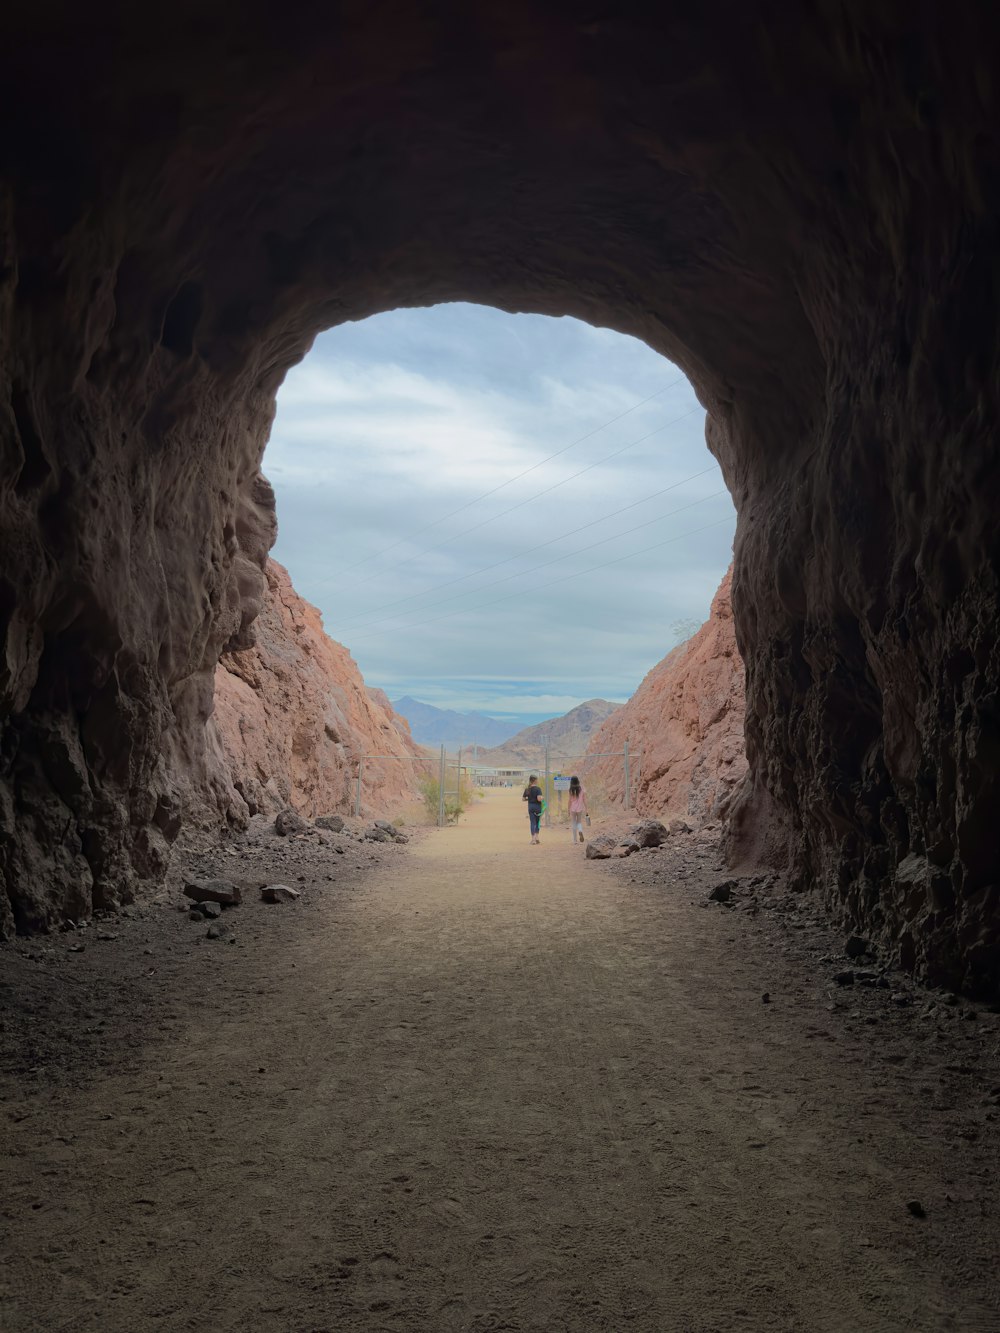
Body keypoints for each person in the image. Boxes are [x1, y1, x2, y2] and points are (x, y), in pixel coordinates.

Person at [522, 774, 543, 844]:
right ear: (535, 781)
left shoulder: (527, 789)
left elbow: (523, 799)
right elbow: (539, 799)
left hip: (530, 807)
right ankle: (537, 837)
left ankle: (533, 839)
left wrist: (529, 799)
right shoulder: (538, 789)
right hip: (537, 807)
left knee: (532, 823)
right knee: (537, 822)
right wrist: (542, 798)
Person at [568, 775, 589, 844]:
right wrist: (586, 808)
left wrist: (568, 809)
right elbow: (584, 799)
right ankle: (580, 830)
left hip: (573, 808)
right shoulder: (582, 788)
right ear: (578, 781)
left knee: (574, 823)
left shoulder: (570, 789)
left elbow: (569, 801)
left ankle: (575, 840)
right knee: (579, 822)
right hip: (580, 808)